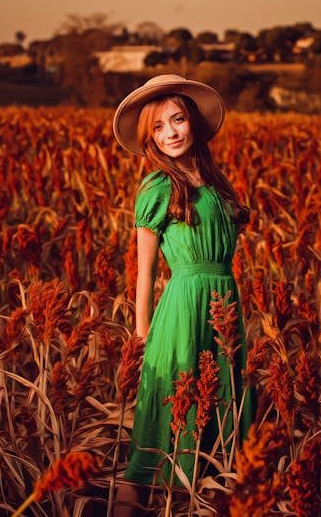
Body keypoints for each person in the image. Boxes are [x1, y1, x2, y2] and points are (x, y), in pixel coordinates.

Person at [112, 74, 253, 516]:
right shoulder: (157, 187)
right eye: (158, 127)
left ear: (192, 122)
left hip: (224, 303)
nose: (170, 133)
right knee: (163, 427)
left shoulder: (216, 182)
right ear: (149, 136)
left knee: (219, 422)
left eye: (177, 120)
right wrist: (141, 337)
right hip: (184, 306)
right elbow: (145, 271)